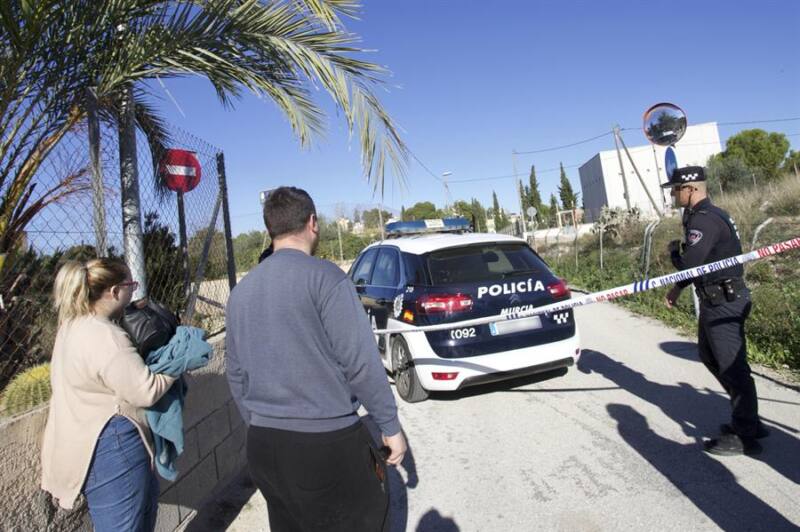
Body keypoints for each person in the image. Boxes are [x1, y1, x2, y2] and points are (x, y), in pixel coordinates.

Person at [226, 186, 406, 532]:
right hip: (325, 443)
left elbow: (235, 374)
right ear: (313, 223)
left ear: (270, 230)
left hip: (264, 444)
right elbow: (361, 362)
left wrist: (259, 420)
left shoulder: (240, 294)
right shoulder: (326, 278)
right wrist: (390, 426)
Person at [40, 258, 176, 531]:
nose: (133, 291)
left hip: (86, 441)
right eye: (130, 285)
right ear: (115, 291)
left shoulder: (70, 326)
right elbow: (145, 391)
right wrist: (176, 367)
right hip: (113, 444)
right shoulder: (105, 335)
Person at [662, 166, 767, 456]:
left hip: (723, 301)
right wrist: (678, 288)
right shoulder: (710, 215)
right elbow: (703, 264)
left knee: (732, 367)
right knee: (711, 358)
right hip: (717, 298)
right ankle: (749, 418)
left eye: (676, 189)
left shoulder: (705, 221)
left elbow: (691, 264)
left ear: (691, 189)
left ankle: (745, 433)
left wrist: (674, 253)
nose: (673, 194)